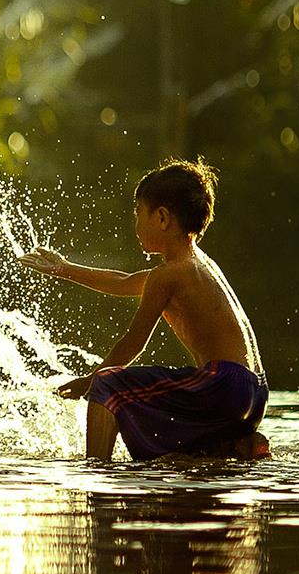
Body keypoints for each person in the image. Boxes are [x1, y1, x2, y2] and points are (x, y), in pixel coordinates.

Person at [19, 158, 270, 461]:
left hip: (222, 385)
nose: (135, 222)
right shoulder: (197, 265)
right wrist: (64, 268)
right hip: (253, 393)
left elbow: (133, 343)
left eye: (138, 212)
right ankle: (235, 445)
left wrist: (90, 381)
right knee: (189, 445)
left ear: (162, 218)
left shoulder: (171, 274)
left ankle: (95, 471)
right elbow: (124, 282)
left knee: (109, 386)